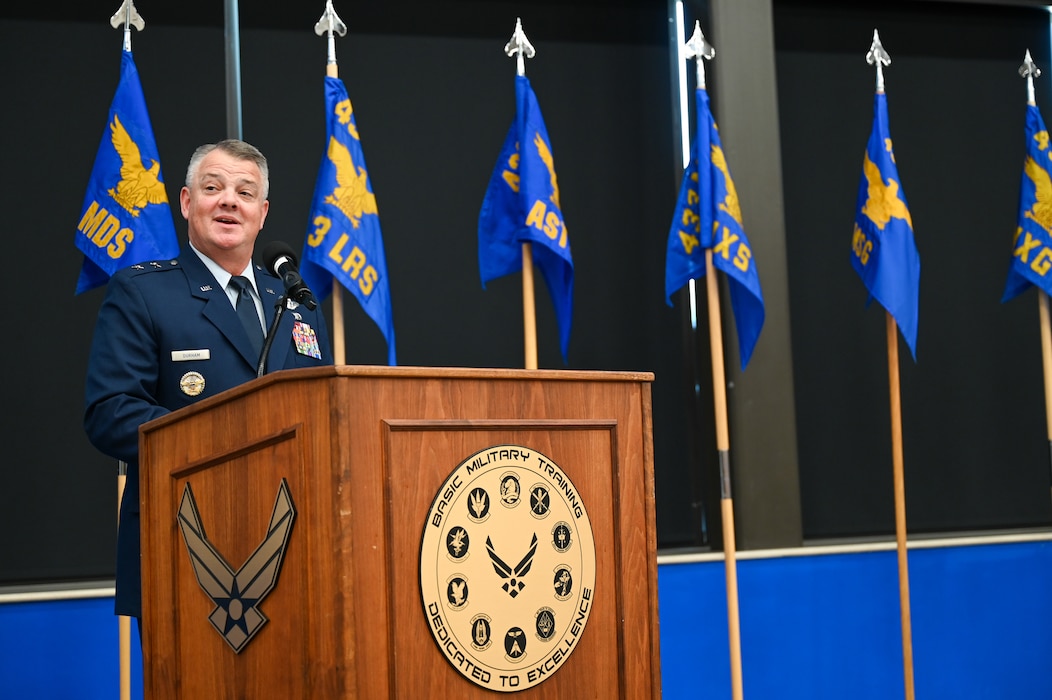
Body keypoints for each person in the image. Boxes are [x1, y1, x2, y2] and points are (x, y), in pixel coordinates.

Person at [84, 139, 334, 625]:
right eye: (213, 187)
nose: (228, 201)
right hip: (186, 542)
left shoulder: (297, 302)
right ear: (186, 202)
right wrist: (227, 439)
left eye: (244, 192)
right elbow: (111, 412)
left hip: (294, 544)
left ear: (262, 213)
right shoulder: (143, 293)